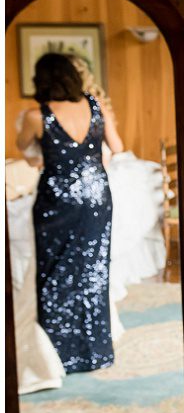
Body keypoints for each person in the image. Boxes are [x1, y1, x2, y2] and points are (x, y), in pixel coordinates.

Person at [15, 52, 124, 372]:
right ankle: (95, 351)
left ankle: (61, 355)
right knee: (94, 271)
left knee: (55, 273)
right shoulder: (95, 105)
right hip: (97, 197)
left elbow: (25, 148)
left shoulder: (38, 115)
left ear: (42, 79)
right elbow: (116, 148)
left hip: (56, 201)